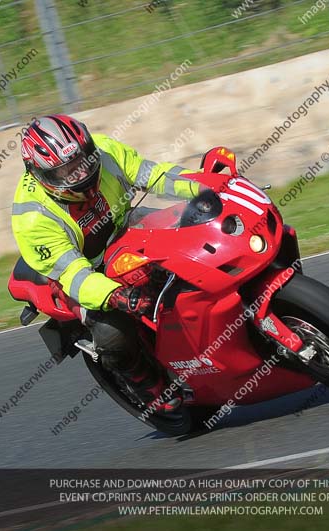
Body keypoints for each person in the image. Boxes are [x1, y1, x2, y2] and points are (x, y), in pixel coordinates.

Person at [12, 114, 208, 414]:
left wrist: (204, 188)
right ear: (40, 174)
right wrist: (118, 296)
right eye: (65, 170)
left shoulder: (104, 151)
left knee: (191, 230)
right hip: (83, 271)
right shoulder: (33, 218)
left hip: (123, 230)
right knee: (112, 330)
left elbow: (154, 175)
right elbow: (76, 278)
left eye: (81, 160)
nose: (78, 173)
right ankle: (145, 384)